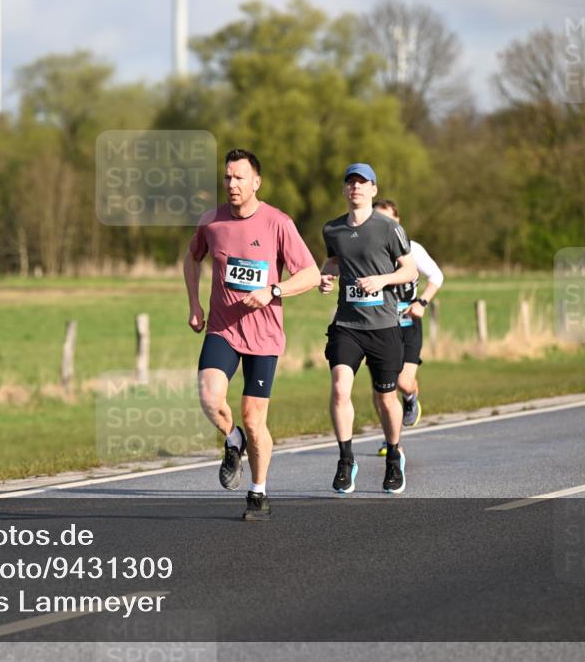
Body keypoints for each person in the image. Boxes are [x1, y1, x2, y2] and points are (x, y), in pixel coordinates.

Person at [184, 149, 319, 521]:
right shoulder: (211, 222)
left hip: (264, 336)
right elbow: (191, 257)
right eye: (227, 177)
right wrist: (195, 303)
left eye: (239, 178)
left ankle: (258, 492)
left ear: (256, 182)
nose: (232, 184)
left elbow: (308, 273)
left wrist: (274, 291)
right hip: (222, 329)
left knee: (254, 418)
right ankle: (232, 439)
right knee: (210, 398)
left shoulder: (278, 222)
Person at [319, 163, 416, 494]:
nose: (356, 187)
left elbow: (410, 271)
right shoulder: (332, 229)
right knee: (339, 387)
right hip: (347, 325)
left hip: (384, 325)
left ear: (373, 189)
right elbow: (333, 260)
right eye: (351, 182)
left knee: (388, 397)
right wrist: (325, 276)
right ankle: (346, 460)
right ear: (345, 190)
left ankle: (393, 457)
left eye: (363, 183)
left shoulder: (388, 228)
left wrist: (382, 280)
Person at [372, 200, 445, 456]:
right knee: (381, 387)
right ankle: (390, 440)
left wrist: (422, 302)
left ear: (397, 222)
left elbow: (437, 276)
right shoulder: (368, 249)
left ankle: (411, 396)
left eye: (387, 221)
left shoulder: (412, 249)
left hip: (407, 322)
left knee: (403, 382)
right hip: (379, 324)